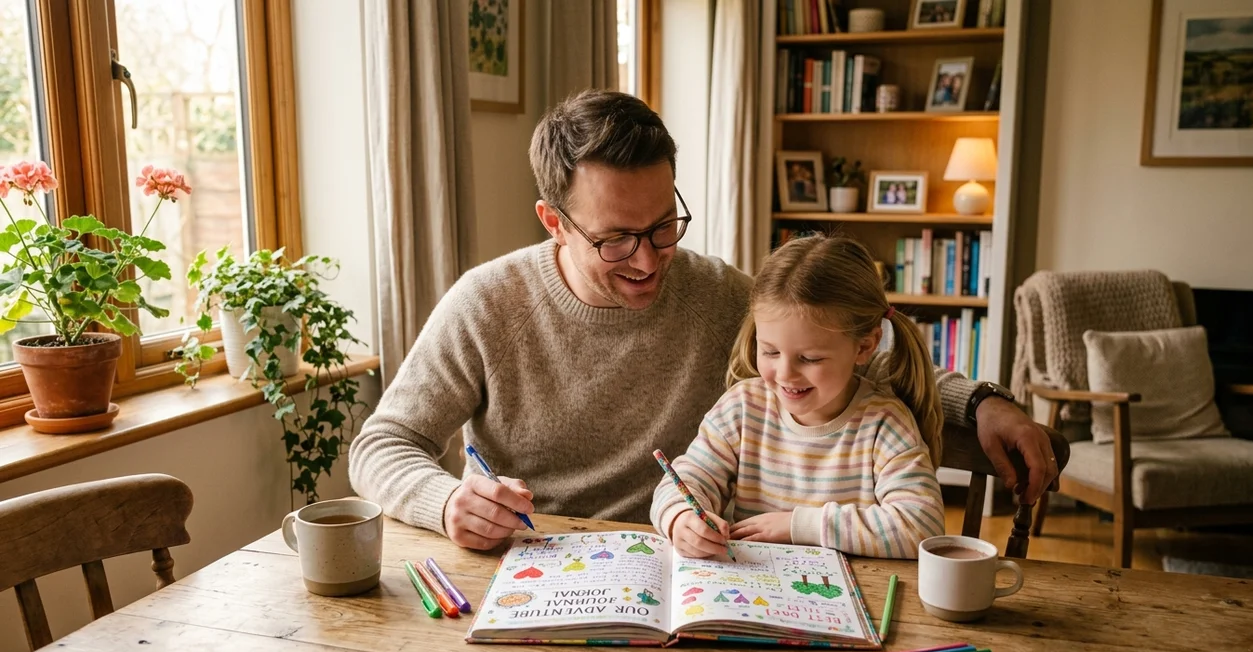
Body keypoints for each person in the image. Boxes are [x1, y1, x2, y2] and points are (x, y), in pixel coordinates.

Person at [349, 89, 1058, 551]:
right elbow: (383, 443)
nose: (650, 261)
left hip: (690, 560)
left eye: (664, 227)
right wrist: (446, 503)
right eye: (615, 240)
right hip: (537, 567)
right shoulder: (486, 303)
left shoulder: (719, 294)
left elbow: (845, 353)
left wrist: (983, 403)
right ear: (552, 223)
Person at [651, 235, 944, 559]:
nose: (785, 373)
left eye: (810, 359)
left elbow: (923, 525)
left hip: (852, 598)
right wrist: (680, 518)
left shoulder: (883, 424)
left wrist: (800, 526)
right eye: (770, 351)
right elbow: (686, 480)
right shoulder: (743, 408)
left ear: (864, 346)